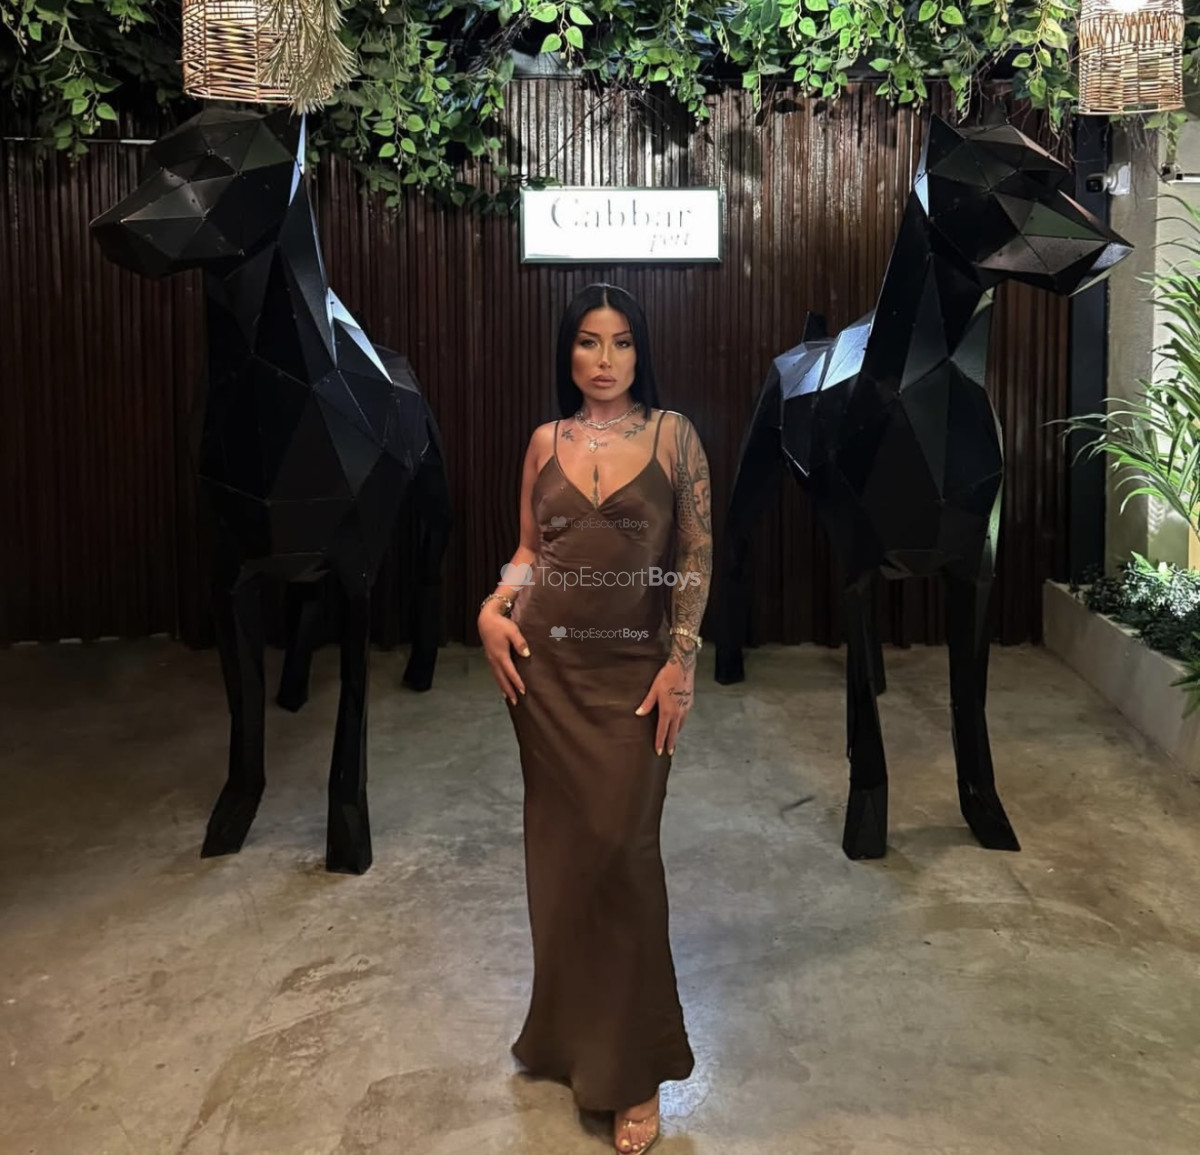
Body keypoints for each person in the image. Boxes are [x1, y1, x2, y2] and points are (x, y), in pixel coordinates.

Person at [477, 283, 712, 1154]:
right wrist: (492, 607)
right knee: (565, 861)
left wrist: (681, 660)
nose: (604, 359)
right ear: (568, 352)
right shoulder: (546, 440)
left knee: (623, 853)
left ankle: (635, 1066)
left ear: (641, 351)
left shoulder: (675, 435)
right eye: (587, 341)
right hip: (547, 675)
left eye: (620, 342)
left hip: (634, 676)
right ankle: (566, 1039)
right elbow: (529, 551)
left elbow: (695, 553)